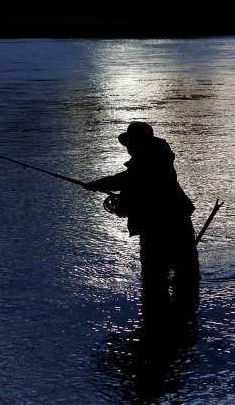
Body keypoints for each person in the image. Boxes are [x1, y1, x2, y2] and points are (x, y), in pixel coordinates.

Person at [85, 121, 200, 316]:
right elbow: (134, 184)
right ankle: (184, 318)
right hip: (176, 219)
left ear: (138, 143)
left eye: (131, 143)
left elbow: (128, 180)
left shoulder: (150, 160)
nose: (128, 148)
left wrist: (97, 184)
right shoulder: (158, 156)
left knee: (155, 277)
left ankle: (159, 321)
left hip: (157, 226)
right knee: (185, 272)